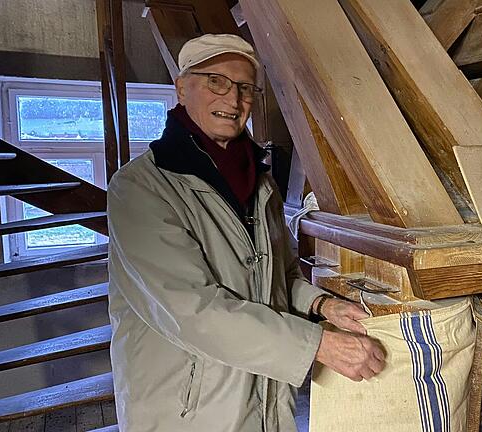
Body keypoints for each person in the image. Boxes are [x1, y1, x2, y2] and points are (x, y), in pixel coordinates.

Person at [106, 33, 385, 432]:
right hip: (188, 409)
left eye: (245, 88)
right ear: (182, 89)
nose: (233, 100)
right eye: (216, 82)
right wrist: (319, 344)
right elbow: (190, 309)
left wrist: (321, 306)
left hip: (264, 398)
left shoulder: (260, 184)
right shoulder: (141, 189)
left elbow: (279, 278)